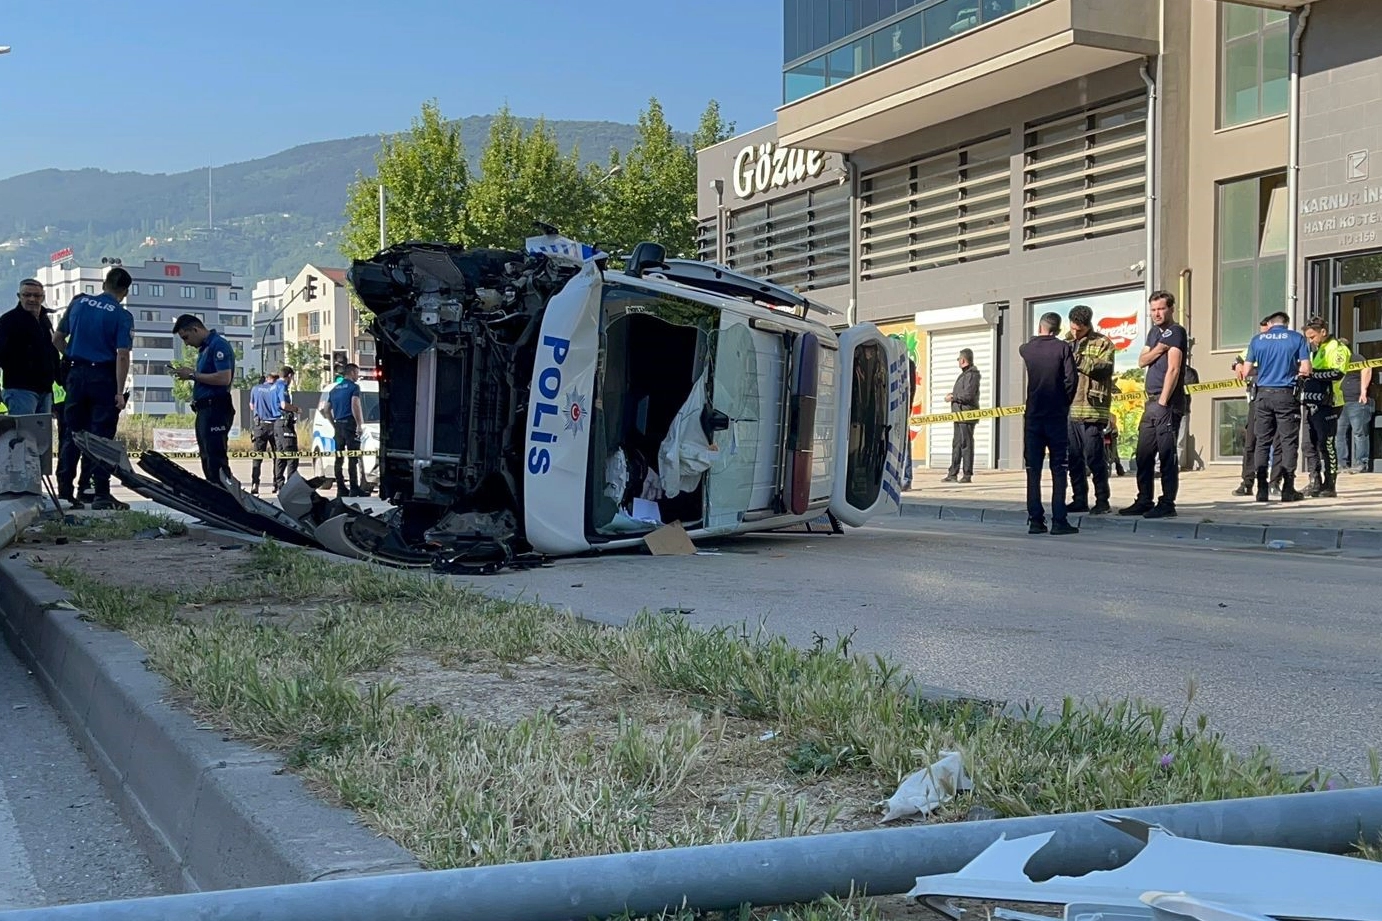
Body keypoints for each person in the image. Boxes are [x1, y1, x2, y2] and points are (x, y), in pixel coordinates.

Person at [52, 267, 134, 510]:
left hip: (76, 375)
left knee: (72, 433)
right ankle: (99, 493)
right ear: (124, 291)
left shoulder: (78, 303)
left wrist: (75, 358)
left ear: (104, 283)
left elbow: (57, 339)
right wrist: (119, 391)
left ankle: (65, 491)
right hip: (103, 378)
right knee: (100, 437)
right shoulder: (122, 315)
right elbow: (122, 355)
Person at [1120, 291, 1187, 519]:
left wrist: (1162, 402)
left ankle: (1167, 502)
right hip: (1150, 402)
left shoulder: (1176, 332)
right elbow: (1141, 361)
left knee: (1167, 455)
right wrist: (1159, 349)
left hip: (1165, 403)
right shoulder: (1154, 334)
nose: (1157, 313)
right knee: (1143, 454)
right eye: (1153, 309)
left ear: (1171, 309)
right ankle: (1144, 499)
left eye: (1161, 309)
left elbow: (1174, 369)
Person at [1019, 312, 1078, 535]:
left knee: (1033, 469)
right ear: (1059, 328)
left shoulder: (1027, 349)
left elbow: (1026, 345)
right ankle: (1059, 521)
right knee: (1059, 469)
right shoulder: (1063, 348)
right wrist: (1064, 403)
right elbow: (1072, 380)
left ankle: (1035, 520)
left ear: (1040, 326)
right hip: (1056, 417)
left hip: (1033, 416)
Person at [1243, 311, 1311, 502]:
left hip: (1263, 395)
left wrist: (1264, 370)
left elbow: (1247, 370)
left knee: (1262, 442)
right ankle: (1288, 488)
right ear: (1286, 324)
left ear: (1270, 324)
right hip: (1286, 395)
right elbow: (1306, 369)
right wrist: (1291, 368)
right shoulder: (1296, 338)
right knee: (1288, 441)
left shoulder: (1258, 340)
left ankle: (1261, 489)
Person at [170, 314, 235, 485]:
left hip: (216, 407)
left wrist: (192, 375)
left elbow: (223, 378)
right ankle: (215, 495)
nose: (186, 343)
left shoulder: (217, 345)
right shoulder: (205, 349)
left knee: (215, 458)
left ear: (195, 329)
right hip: (205, 409)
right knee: (207, 456)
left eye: (186, 337)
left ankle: (226, 498)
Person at [1064, 305, 1115, 515]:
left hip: (1093, 410)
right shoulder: (1065, 343)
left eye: (1080, 330)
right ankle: (1079, 499)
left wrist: (1078, 359)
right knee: (1074, 459)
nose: (1075, 333)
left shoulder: (1102, 342)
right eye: (1073, 328)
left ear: (1088, 325)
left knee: (1095, 457)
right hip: (1069, 409)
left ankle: (1102, 500)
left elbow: (1104, 368)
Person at [1301, 317, 1350, 498]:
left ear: (1323, 331)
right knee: (1308, 444)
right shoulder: (1317, 349)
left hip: (1330, 403)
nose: (1310, 340)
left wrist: (1311, 373)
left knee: (1326, 444)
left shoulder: (1338, 348)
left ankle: (1330, 484)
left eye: (1312, 336)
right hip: (1312, 402)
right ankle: (1315, 482)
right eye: (1308, 337)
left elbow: (1337, 373)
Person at [0, 279, 60, 416]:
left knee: (41, 435)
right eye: (27, 295)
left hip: (45, 389)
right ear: (19, 296)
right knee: (24, 434)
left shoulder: (45, 320)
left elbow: (52, 351)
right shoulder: (8, 321)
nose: (32, 299)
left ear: (43, 297)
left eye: (36, 296)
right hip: (20, 389)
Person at [1230, 318, 1272, 496]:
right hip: (1256, 398)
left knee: (1276, 443)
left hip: (1277, 395)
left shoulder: (1283, 345)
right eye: (1261, 333)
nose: (1264, 337)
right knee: (1251, 443)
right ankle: (1247, 482)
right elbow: (1238, 360)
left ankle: (1276, 482)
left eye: (1267, 333)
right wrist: (1238, 363)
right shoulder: (1256, 344)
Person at [325, 363, 365, 497]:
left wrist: (333, 424)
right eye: (357, 373)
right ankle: (354, 488)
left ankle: (341, 488)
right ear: (352, 373)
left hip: (339, 425)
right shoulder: (354, 387)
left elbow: (326, 409)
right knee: (353, 457)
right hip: (349, 424)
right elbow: (355, 404)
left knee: (339, 458)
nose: (358, 376)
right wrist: (359, 424)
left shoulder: (334, 389)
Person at [942, 349, 980, 483]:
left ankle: (967, 474)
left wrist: (953, 397)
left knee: (966, 444)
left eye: (959, 359)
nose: (958, 361)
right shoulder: (964, 375)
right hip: (959, 415)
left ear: (963, 360)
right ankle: (952, 473)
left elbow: (968, 395)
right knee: (957, 444)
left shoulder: (972, 375)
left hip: (966, 415)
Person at [1336, 344, 1374, 474]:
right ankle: (1341, 464)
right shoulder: (1336, 361)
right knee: (1339, 434)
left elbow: (1367, 369)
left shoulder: (1356, 358)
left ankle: (1361, 463)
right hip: (1340, 402)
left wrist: (1363, 391)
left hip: (1356, 401)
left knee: (1359, 433)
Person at [248, 372, 281, 494]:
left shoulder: (256, 389)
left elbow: (252, 406)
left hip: (260, 426)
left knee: (257, 457)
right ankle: (275, 484)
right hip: (275, 425)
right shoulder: (276, 389)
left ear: (266, 379)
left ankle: (255, 484)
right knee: (277, 457)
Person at [273, 366, 302, 487]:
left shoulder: (273, 386)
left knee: (281, 455)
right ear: (289, 376)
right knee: (292, 456)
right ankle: (291, 485)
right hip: (285, 424)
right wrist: (296, 409)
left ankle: (279, 483)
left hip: (277, 424)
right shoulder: (282, 386)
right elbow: (284, 405)